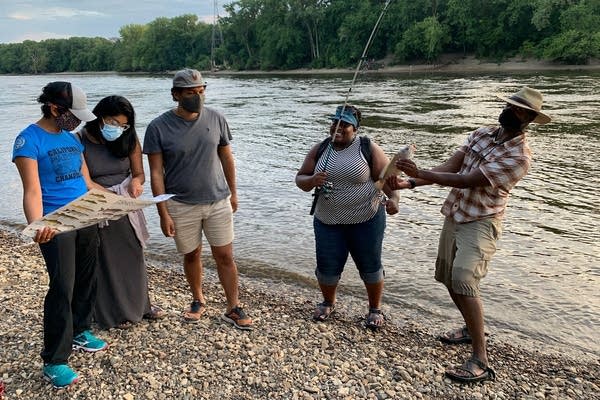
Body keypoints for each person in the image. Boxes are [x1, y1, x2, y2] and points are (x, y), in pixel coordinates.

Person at [387, 87, 551, 383]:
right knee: (449, 277)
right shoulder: (481, 134)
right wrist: (410, 182)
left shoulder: (520, 157)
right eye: (512, 106)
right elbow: (453, 165)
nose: (512, 112)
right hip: (455, 213)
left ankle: (481, 358)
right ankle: (468, 328)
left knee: (464, 278)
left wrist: (421, 172)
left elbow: (468, 180)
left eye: (521, 110)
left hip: (482, 220)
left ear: (529, 119)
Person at [12, 82, 109, 389]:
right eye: (73, 115)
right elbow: (32, 190)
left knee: (86, 277)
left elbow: (87, 182)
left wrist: (118, 200)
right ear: (55, 109)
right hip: (57, 224)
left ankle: (80, 329)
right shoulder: (29, 141)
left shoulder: (71, 138)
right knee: (62, 287)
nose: (78, 121)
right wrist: (37, 225)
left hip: (86, 217)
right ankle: (54, 359)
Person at [143, 68, 252, 330]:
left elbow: (226, 157)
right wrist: (163, 212)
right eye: (191, 93)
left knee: (225, 255)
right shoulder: (158, 127)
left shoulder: (216, 118)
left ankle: (233, 307)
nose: (197, 97)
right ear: (176, 95)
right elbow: (156, 172)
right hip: (180, 203)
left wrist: (234, 192)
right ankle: (198, 299)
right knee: (191, 255)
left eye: (201, 91)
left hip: (217, 200)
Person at [295, 104, 400, 329]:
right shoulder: (320, 148)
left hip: (366, 218)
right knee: (327, 266)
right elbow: (300, 179)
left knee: (370, 265)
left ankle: (374, 309)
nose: (338, 128)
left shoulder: (367, 147)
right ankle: (327, 302)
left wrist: (394, 201)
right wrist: (311, 181)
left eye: (345, 124)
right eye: (335, 122)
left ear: (355, 128)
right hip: (328, 220)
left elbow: (387, 179)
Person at [78, 95, 164, 330]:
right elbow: (85, 181)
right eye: (113, 122)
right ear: (100, 117)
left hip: (126, 203)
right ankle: (114, 313)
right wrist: (109, 197)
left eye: (123, 125)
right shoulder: (79, 140)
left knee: (133, 254)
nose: (118, 128)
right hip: (98, 203)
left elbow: (139, 174)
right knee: (105, 260)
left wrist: (136, 184)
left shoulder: (129, 137)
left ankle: (141, 305)